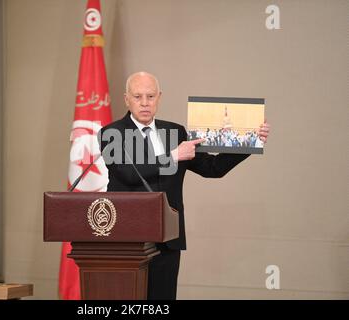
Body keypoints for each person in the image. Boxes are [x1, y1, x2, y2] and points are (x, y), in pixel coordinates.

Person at [98, 71, 270, 300]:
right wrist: (173, 156)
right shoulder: (112, 133)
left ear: (159, 97)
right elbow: (129, 173)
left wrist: (250, 141)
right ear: (126, 99)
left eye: (150, 96)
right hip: (126, 240)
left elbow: (213, 168)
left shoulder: (176, 132)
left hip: (167, 239)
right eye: (137, 97)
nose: (145, 103)